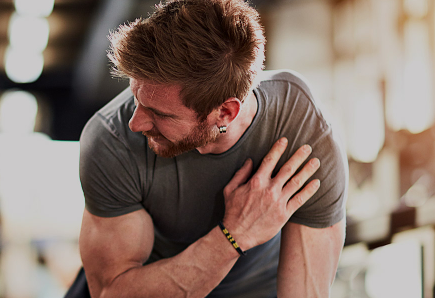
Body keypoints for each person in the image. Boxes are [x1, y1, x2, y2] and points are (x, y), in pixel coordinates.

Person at [70, 0, 347, 297]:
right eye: (135, 97)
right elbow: (111, 293)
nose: (135, 123)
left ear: (225, 112)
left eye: (159, 113)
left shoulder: (300, 128)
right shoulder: (111, 140)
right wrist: (233, 236)